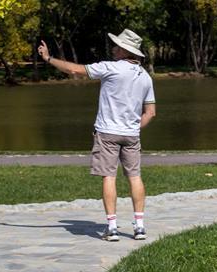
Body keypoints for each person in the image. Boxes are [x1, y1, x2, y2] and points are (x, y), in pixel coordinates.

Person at [38, 29, 155, 242]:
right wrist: (135, 128)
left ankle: (111, 228)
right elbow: (151, 113)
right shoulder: (145, 77)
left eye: (116, 46)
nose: (113, 48)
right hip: (131, 136)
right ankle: (139, 227)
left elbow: (74, 70)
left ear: (123, 50)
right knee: (135, 177)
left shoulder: (110, 68)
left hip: (107, 133)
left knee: (109, 177)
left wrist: (48, 58)